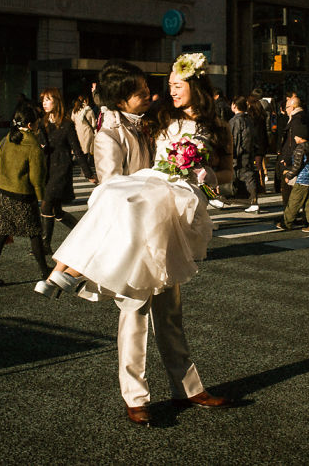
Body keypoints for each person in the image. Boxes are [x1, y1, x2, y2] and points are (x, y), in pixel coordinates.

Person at [35, 55, 234, 425]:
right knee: (135, 311)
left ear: (197, 85)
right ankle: (136, 396)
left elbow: (227, 173)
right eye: (167, 85)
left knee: (170, 313)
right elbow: (114, 175)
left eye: (176, 84)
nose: (165, 91)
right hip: (136, 226)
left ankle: (188, 388)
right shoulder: (161, 121)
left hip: (172, 224)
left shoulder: (218, 127)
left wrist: (212, 176)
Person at [0, 105, 48, 287]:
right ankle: (45, 271)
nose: (38, 124)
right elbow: (36, 178)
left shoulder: (7, 139)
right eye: (37, 122)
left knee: (0, 234)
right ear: (30, 124)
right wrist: (41, 197)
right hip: (22, 196)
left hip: (0, 193)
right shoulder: (33, 145)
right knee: (34, 233)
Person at [38, 87, 97, 254]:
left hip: (61, 170)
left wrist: (88, 173)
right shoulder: (42, 123)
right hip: (47, 170)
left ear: (57, 101)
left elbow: (77, 151)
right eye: (43, 100)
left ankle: (45, 245)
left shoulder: (67, 124)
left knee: (46, 205)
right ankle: (83, 233)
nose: (44, 103)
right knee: (57, 212)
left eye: (48, 99)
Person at [276, 137, 309, 232]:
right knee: (308, 202)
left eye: (296, 136)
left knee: (294, 201)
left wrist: (289, 175)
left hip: (302, 178)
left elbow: (297, 166)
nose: (294, 138)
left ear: (301, 137)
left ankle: (286, 223)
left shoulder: (300, 148)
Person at [275, 91, 309, 213]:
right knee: (301, 193)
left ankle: (289, 217)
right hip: (296, 159)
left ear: (293, 107)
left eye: (287, 107)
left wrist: (287, 159)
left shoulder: (296, 120)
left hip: (292, 161)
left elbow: (294, 143)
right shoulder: (299, 118)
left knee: (289, 191)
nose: (286, 110)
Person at [229, 96, 259, 213]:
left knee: (246, 176)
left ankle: (252, 201)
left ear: (234, 106)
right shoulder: (249, 119)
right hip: (248, 151)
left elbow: (234, 138)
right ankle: (251, 200)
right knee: (247, 175)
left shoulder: (235, 121)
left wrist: (232, 153)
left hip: (240, 153)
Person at [246, 93, 269, 193]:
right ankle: (261, 185)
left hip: (255, 143)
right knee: (259, 164)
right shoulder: (261, 114)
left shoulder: (251, 115)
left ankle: (259, 186)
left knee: (255, 165)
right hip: (262, 142)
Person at [71, 94, 97, 171]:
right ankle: (86, 164)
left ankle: (80, 162)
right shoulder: (89, 110)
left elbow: (72, 120)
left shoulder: (74, 110)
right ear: (85, 101)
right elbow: (93, 124)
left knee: (80, 147)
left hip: (78, 132)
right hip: (87, 132)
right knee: (86, 149)